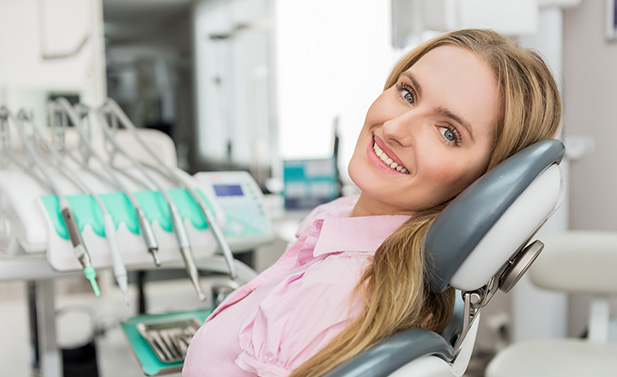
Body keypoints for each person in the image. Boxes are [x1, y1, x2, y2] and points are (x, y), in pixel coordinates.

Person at [182, 28, 562, 377]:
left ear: (484, 185)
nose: (395, 128)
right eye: (408, 93)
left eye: (448, 133)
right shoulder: (339, 222)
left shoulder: (338, 294)